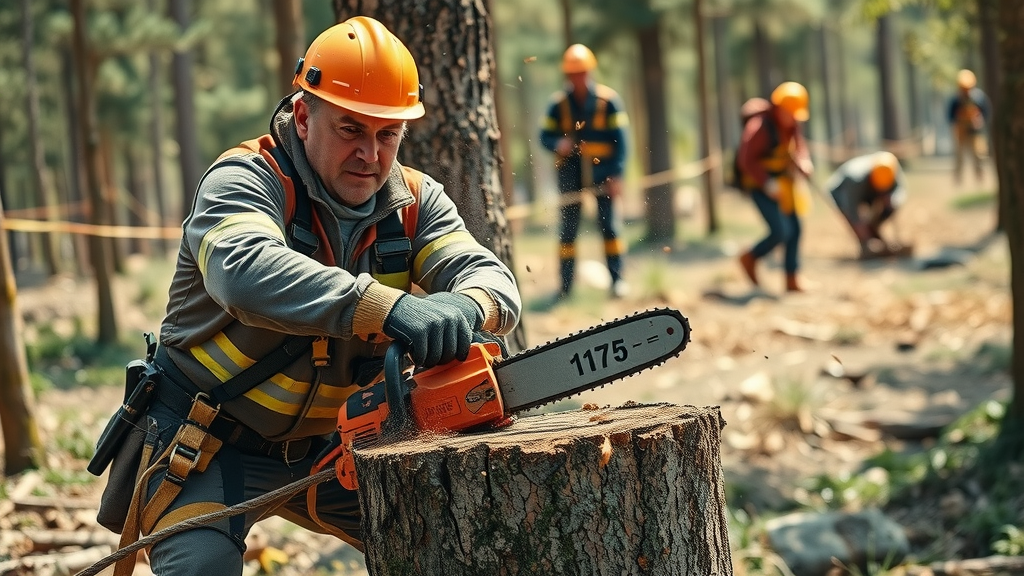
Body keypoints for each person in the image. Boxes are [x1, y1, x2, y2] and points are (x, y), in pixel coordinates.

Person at [111, 16, 521, 575]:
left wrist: (469, 306)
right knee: (199, 566)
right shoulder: (243, 180)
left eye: (387, 135)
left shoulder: (418, 201)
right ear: (304, 117)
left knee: (449, 550)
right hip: (204, 441)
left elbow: (488, 275)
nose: (371, 155)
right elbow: (242, 270)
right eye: (351, 129)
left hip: (338, 450)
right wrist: (388, 307)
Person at [539, 43, 630, 299]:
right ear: (567, 75)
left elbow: (622, 142)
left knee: (609, 227)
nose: (577, 78)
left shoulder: (608, 101)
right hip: (570, 173)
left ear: (590, 71)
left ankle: (618, 281)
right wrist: (558, 143)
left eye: (581, 72)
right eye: (572, 73)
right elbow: (544, 135)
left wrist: (617, 174)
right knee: (568, 229)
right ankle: (565, 287)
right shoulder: (558, 105)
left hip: (604, 172)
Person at [735, 81, 814, 293]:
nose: (793, 118)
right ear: (779, 109)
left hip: (784, 184)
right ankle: (750, 257)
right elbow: (745, 160)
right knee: (781, 231)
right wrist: (767, 183)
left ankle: (791, 278)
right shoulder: (760, 127)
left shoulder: (791, 124)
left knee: (795, 229)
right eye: (790, 113)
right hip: (761, 185)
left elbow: (799, 147)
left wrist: (804, 162)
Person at [826, 151, 910, 259]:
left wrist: (891, 202)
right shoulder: (855, 179)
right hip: (842, 190)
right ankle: (866, 243)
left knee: (885, 212)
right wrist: (867, 239)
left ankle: (876, 237)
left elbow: (900, 193)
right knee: (854, 218)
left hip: (869, 189)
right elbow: (852, 211)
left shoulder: (891, 168)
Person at [946, 68, 990, 185]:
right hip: (960, 132)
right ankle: (957, 180)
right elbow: (950, 117)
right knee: (959, 157)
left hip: (975, 132)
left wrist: (980, 120)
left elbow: (986, 113)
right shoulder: (956, 100)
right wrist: (958, 121)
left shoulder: (979, 98)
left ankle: (980, 178)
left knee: (979, 156)